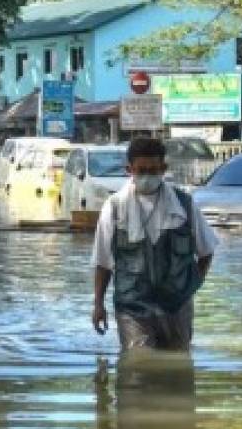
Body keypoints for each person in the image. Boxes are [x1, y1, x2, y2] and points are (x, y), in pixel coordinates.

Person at [91, 136, 217, 351]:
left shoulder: (184, 206)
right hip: (132, 307)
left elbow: (206, 251)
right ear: (129, 170)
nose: (147, 176)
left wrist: (192, 286)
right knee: (138, 364)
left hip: (177, 306)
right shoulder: (114, 208)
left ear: (164, 168)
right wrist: (98, 305)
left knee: (178, 368)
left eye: (153, 170)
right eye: (141, 171)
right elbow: (103, 262)